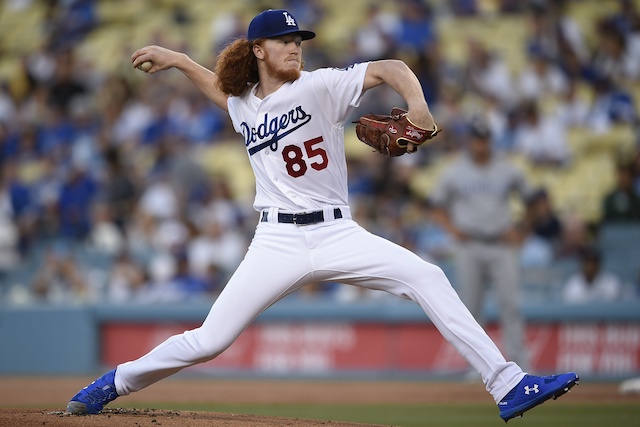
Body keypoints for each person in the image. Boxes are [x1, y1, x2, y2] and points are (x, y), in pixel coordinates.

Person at [66, 9, 577, 422]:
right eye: (285, 40)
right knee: (210, 340)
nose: (295, 46)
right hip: (275, 243)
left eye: (300, 40)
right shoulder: (244, 105)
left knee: (427, 275)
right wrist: (178, 59)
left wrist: (418, 105)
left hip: (337, 232)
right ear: (258, 51)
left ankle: (508, 383)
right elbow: (219, 91)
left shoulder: (320, 86)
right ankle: (113, 383)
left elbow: (390, 68)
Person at [430, 119, 532, 373]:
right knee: (471, 308)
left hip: (501, 244)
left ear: (490, 140)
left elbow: (534, 200)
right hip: (469, 245)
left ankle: (521, 365)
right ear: (469, 141)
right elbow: (435, 206)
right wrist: (453, 230)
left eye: (484, 139)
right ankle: (479, 369)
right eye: (476, 139)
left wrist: (521, 230)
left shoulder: (506, 168)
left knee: (511, 305)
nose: (480, 145)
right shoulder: (455, 170)